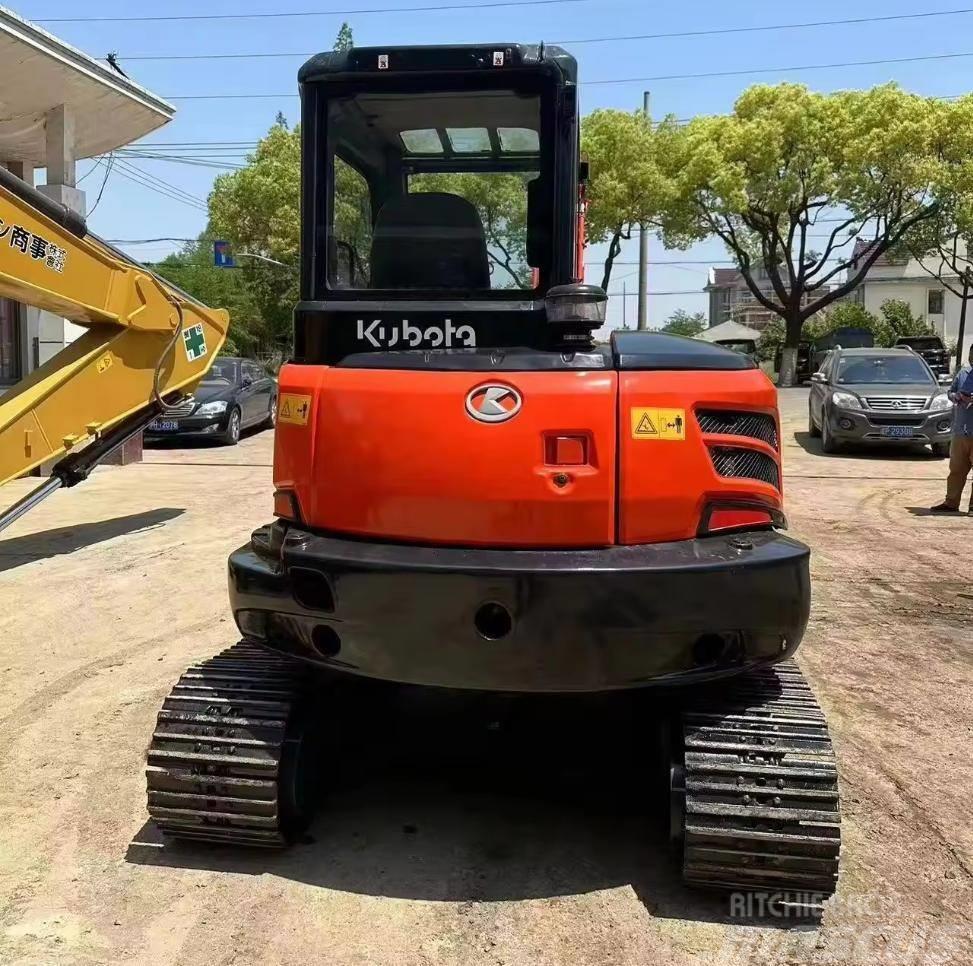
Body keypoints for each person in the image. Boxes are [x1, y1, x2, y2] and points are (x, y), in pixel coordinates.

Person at [931, 344, 973, 514]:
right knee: (956, 470)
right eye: (971, 354)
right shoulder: (963, 373)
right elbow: (951, 392)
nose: (972, 358)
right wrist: (957, 397)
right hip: (960, 431)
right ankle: (951, 503)